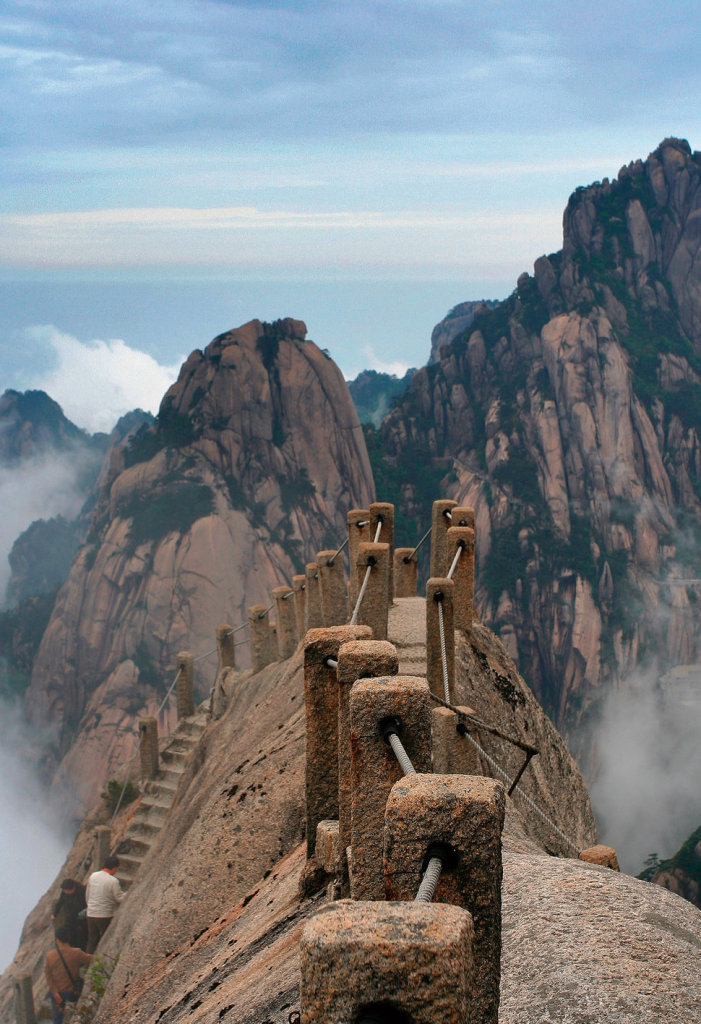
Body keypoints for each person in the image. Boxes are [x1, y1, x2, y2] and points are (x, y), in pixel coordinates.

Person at [44, 924, 91, 1024]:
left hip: (58, 994)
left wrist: (55, 992)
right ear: (69, 938)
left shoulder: (50, 956)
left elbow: (48, 976)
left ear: (57, 940)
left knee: (57, 1019)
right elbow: (90, 959)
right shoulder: (76, 952)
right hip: (73, 993)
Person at [85, 855, 124, 953]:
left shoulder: (93, 876)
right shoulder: (113, 881)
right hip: (104, 915)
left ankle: (87, 963)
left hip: (90, 914)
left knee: (92, 940)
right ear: (114, 867)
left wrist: (90, 907)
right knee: (107, 939)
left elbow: (87, 894)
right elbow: (119, 898)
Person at [51, 878, 87, 950]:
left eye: (67, 890)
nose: (66, 892)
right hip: (72, 915)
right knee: (69, 929)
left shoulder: (81, 891)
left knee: (81, 932)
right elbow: (60, 902)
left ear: (73, 888)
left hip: (82, 914)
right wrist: (54, 914)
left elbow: (84, 904)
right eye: (65, 890)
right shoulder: (64, 892)